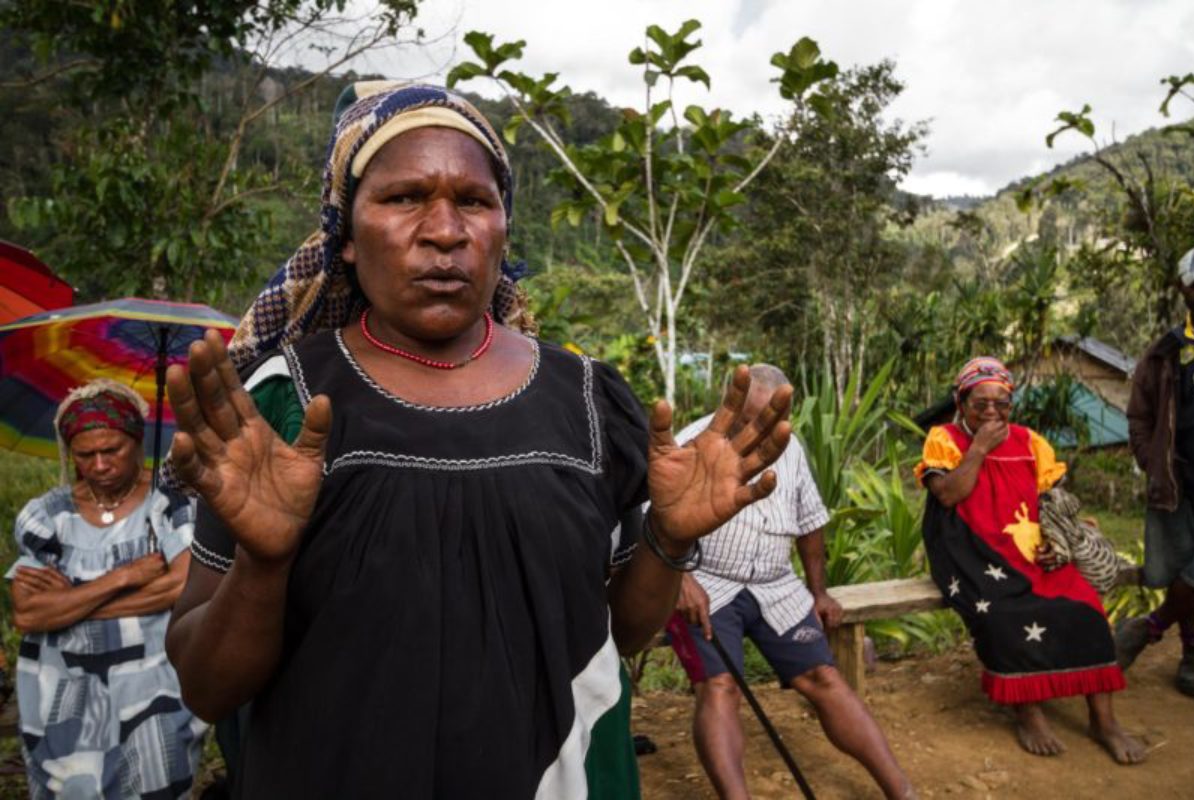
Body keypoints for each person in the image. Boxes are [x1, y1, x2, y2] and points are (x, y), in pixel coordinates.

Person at [161, 82, 795, 798]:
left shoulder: (588, 399)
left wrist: (668, 542)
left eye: (473, 199)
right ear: (343, 237)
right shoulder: (281, 402)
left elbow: (614, 636)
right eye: (403, 198)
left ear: (502, 226)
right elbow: (207, 690)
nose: (444, 230)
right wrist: (265, 564)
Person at [669, 364, 913, 800]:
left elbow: (810, 521)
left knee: (823, 677)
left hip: (775, 583)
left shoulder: (790, 447)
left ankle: (901, 791)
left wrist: (818, 591)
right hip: (705, 581)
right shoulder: (694, 441)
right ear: (731, 402)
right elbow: (653, 519)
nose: (759, 428)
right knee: (720, 686)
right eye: (750, 418)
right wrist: (680, 578)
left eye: (771, 418)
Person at [917, 357, 1144, 764]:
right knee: (1003, 614)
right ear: (960, 401)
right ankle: (1029, 711)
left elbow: (1051, 504)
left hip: (1029, 549)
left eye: (1000, 403)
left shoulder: (1030, 441)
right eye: (979, 403)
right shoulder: (945, 438)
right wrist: (980, 448)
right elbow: (948, 495)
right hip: (969, 552)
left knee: (1086, 607)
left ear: (1011, 404)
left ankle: (1103, 720)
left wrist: (1056, 542)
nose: (990, 411)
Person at [7, 379, 206, 798]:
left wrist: (69, 601)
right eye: (85, 455)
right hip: (63, 692)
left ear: (136, 442)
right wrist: (124, 577)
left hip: (151, 685)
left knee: (155, 782)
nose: (99, 465)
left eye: (111, 450)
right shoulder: (47, 517)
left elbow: (183, 585)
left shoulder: (168, 503)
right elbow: (27, 614)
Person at [1120, 245, 1194, 697]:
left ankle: (1147, 629)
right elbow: (1139, 415)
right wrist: (1152, 462)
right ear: (1183, 289)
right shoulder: (1165, 353)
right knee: (1180, 570)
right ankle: (1192, 652)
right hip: (1179, 485)